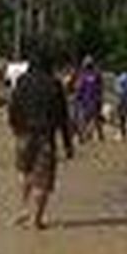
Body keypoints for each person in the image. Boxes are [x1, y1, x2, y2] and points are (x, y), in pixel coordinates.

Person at [8, 42, 74, 230]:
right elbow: (63, 117)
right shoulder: (54, 84)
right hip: (46, 135)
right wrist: (68, 144)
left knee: (24, 171)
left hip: (24, 134)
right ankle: (36, 220)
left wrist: (15, 128)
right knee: (43, 180)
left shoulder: (22, 81)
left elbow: (13, 107)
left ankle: (24, 207)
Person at [75, 56, 104, 143]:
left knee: (86, 119)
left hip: (87, 100)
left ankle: (84, 137)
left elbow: (80, 88)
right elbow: (100, 87)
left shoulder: (84, 76)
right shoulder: (96, 75)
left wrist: (78, 96)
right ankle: (98, 135)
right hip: (93, 99)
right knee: (94, 118)